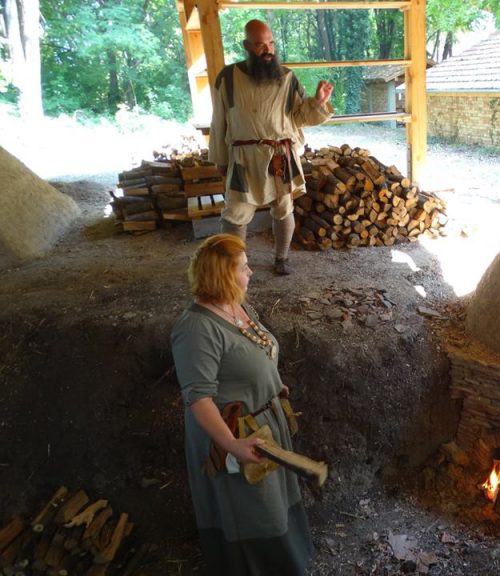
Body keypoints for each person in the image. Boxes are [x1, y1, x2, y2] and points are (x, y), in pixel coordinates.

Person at [171, 233, 313, 575]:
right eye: (243, 267)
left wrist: (271, 383)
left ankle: (288, 564)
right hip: (236, 433)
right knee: (253, 508)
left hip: (265, 421)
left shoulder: (236, 305)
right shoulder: (196, 329)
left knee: (275, 499)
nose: (251, 272)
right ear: (223, 275)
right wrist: (233, 445)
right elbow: (198, 398)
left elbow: (254, 353)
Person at [208, 19, 334, 276]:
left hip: (280, 157)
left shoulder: (287, 78)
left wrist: (319, 102)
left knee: (283, 208)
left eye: (271, 43)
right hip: (243, 159)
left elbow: (301, 117)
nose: (268, 50)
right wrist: (221, 160)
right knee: (234, 213)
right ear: (246, 46)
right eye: (260, 45)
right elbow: (218, 122)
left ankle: (281, 258)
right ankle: (234, 265)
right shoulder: (228, 78)